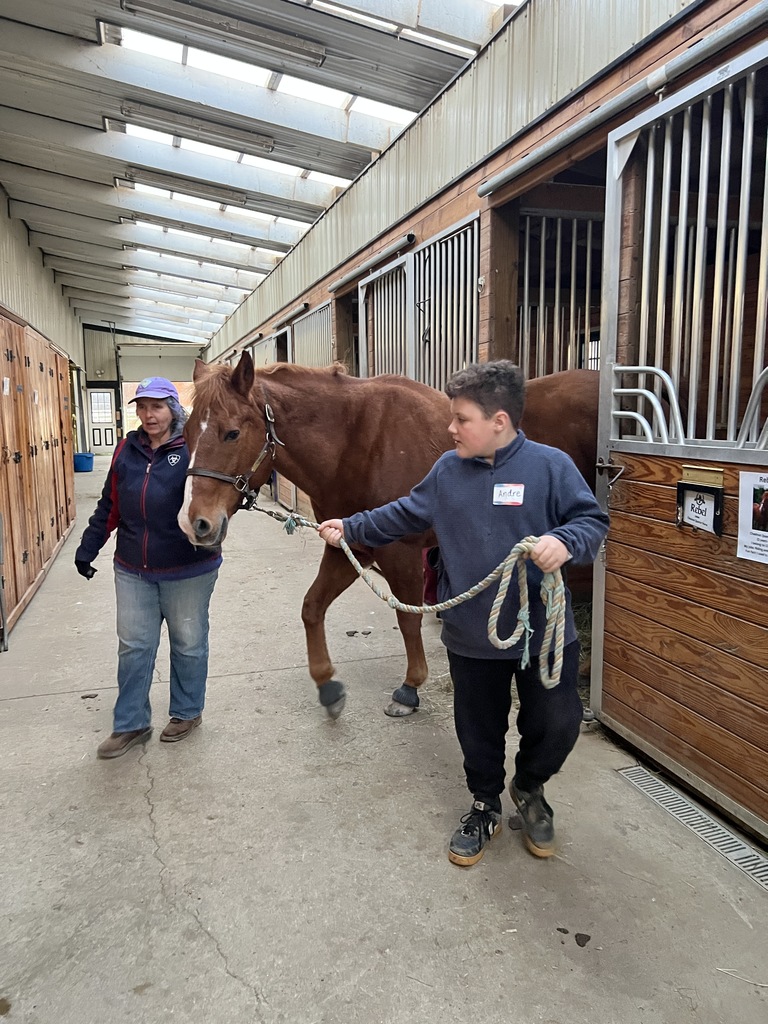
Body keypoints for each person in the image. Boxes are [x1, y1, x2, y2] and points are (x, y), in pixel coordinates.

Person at [318, 361, 609, 867]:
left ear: (499, 421)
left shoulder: (550, 466)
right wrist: (352, 527)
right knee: (478, 732)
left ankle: (529, 786)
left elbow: (591, 520)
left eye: (461, 418)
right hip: (473, 632)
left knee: (558, 724)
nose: (450, 427)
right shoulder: (447, 471)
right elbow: (405, 512)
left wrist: (565, 541)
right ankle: (485, 804)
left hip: (543, 631)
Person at [74, 377, 222, 760]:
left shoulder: (194, 447)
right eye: (142, 407)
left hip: (187, 568)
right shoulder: (127, 449)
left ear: (173, 408)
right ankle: (131, 723)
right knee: (133, 646)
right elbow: (110, 504)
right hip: (132, 567)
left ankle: (187, 712)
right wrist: (88, 547)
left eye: (156, 406)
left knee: (188, 644)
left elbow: (218, 497)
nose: (148, 414)